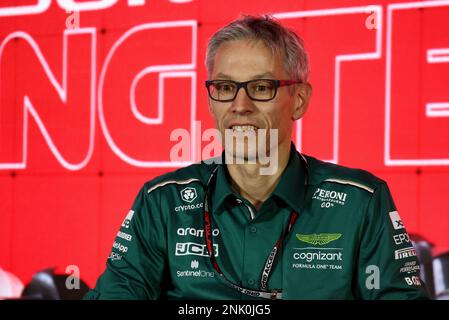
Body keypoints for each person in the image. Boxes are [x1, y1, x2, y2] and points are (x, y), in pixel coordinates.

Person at [85, 15, 429, 300]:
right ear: (210, 101)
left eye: (261, 88)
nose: (240, 106)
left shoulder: (360, 202)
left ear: (299, 100)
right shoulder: (162, 201)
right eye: (224, 87)